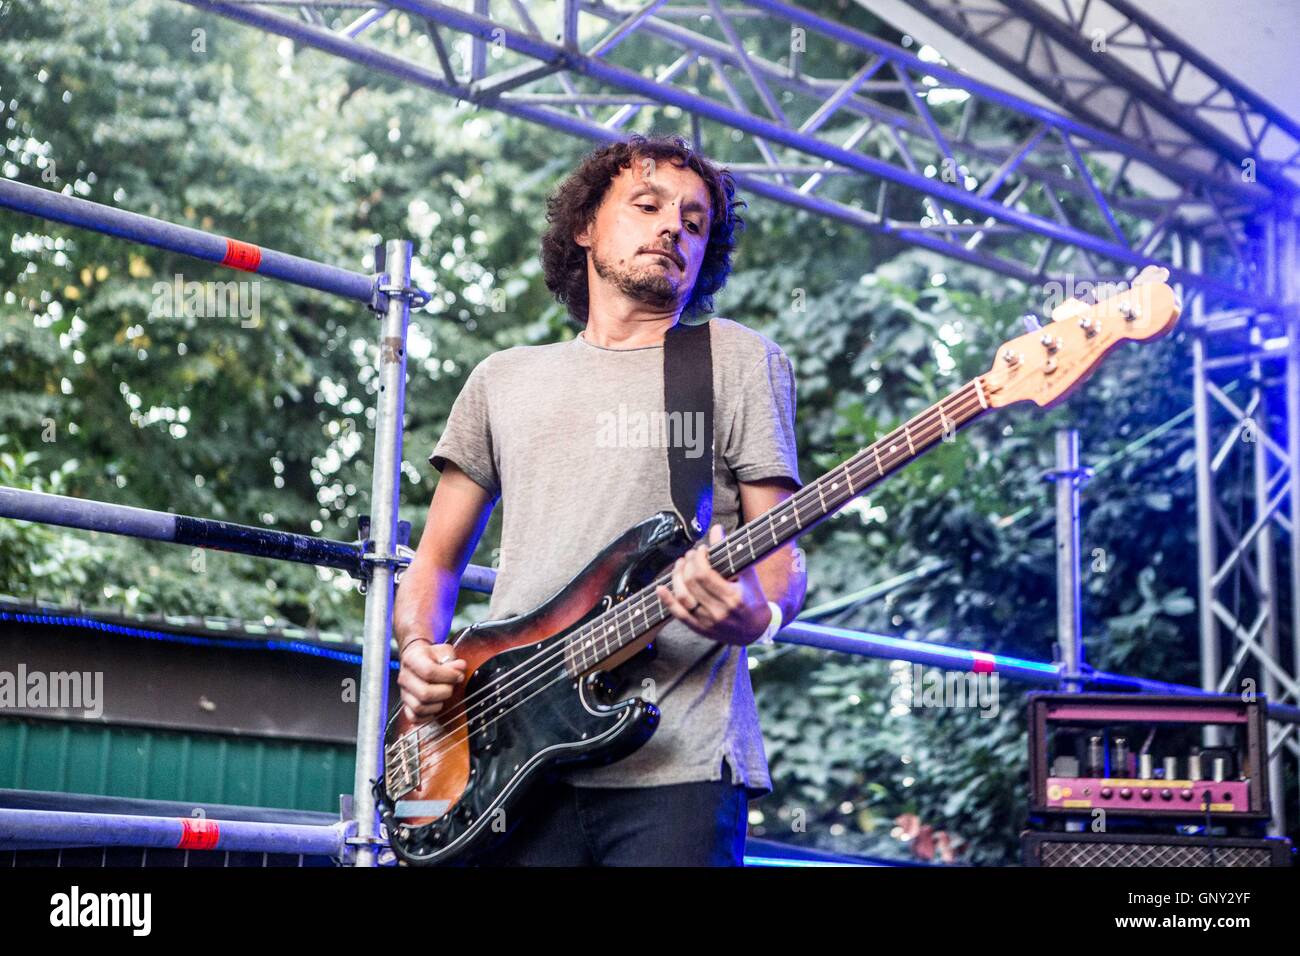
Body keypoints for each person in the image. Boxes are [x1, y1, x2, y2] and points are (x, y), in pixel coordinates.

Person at [392, 132, 806, 866]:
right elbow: (435, 565)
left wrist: (758, 615)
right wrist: (419, 649)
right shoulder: (503, 379)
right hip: (507, 760)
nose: (672, 226)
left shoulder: (735, 361)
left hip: (675, 769)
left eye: (694, 220)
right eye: (646, 204)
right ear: (584, 226)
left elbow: (779, 559)